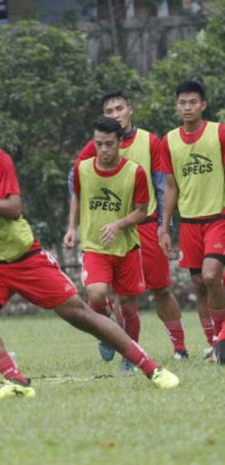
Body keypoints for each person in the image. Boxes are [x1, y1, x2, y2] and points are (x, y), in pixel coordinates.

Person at [0, 108, 179, 400]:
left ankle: (151, 368)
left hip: (24, 258)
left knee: (79, 314)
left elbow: (14, 209)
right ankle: (16, 381)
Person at [69, 91, 190, 360]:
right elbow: (75, 180)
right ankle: (123, 346)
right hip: (109, 229)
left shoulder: (150, 141)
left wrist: (163, 226)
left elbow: (162, 185)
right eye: (109, 111)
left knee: (161, 288)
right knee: (115, 296)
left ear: (130, 110)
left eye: (119, 109)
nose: (115, 115)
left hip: (145, 224)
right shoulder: (98, 144)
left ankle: (179, 348)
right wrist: (79, 222)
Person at [64, 117, 149, 373]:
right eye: (98, 144)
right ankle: (105, 331)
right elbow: (77, 197)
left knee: (129, 305)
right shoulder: (82, 169)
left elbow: (142, 212)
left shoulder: (135, 172)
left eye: (109, 144)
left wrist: (118, 225)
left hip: (126, 247)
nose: (103, 150)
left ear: (120, 142)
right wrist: (71, 228)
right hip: (94, 246)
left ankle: (130, 355)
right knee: (97, 294)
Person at [159, 80, 225, 363]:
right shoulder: (169, 140)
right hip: (189, 224)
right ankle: (213, 344)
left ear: (203, 105)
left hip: (218, 218)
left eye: (193, 102)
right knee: (199, 284)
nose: (187, 107)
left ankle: (222, 339)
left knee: (211, 276)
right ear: (177, 106)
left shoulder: (218, 133)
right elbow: (171, 186)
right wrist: (164, 226)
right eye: (182, 103)